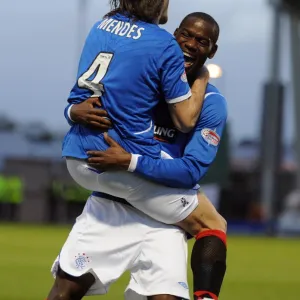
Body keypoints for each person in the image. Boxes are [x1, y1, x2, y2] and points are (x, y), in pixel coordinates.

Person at [63, 12, 227, 300]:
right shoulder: (141, 84)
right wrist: (72, 111)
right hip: (114, 204)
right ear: (173, 35)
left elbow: (191, 171)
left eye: (201, 41)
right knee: (64, 293)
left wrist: (130, 161)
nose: (190, 44)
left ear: (211, 51)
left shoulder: (211, 104)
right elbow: (90, 99)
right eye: (185, 35)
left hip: (160, 213)